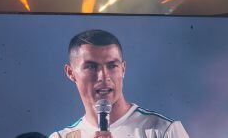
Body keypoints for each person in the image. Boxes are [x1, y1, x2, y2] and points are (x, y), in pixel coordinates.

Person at [49, 30, 189, 138]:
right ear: (70, 72)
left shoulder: (164, 131)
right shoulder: (60, 137)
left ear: (123, 69)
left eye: (112, 66)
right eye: (91, 66)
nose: (103, 76)